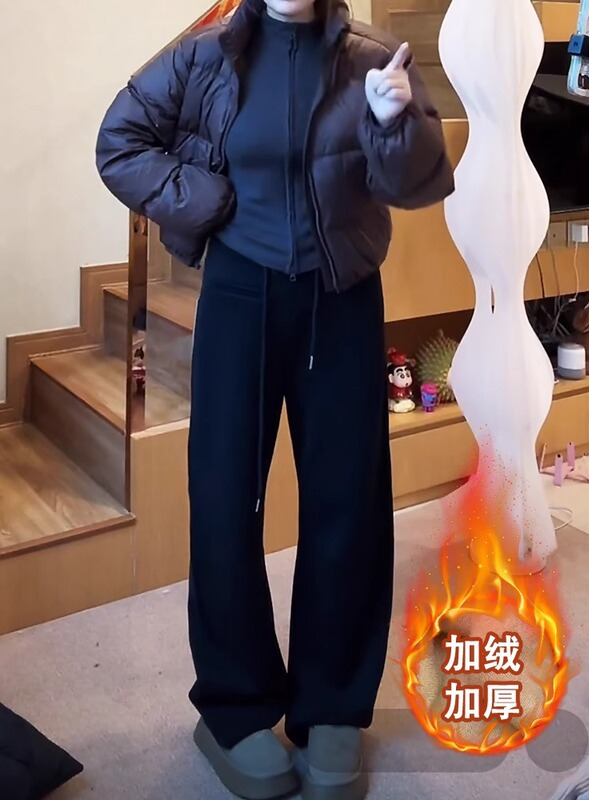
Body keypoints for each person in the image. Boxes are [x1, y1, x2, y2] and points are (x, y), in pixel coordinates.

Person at [96, 0, 454, 796]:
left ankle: (332, 705)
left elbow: (420, 181)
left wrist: (395, 122)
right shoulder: (203, 56)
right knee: (226, 500)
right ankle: (235, 706)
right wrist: (207, 201)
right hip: (239, 296)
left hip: (343, 298)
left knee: (347, 504)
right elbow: (119, 144)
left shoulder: (373, 58)